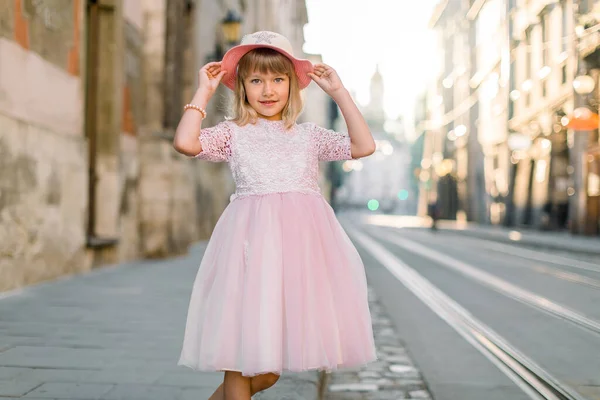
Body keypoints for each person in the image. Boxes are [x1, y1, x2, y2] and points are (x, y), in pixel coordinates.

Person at [173, 31, 377, 400]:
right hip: (247, 250)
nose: (267, 90)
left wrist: (339, 93)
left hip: (294, 259)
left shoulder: (309, 136)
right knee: (238, 357)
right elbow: (187, 143)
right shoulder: (234, 134)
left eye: (278, 80)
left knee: (266, 374)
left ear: (291, 87)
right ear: (243, 89)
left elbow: (363, 146)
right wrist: (203, 91)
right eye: (256, 81)